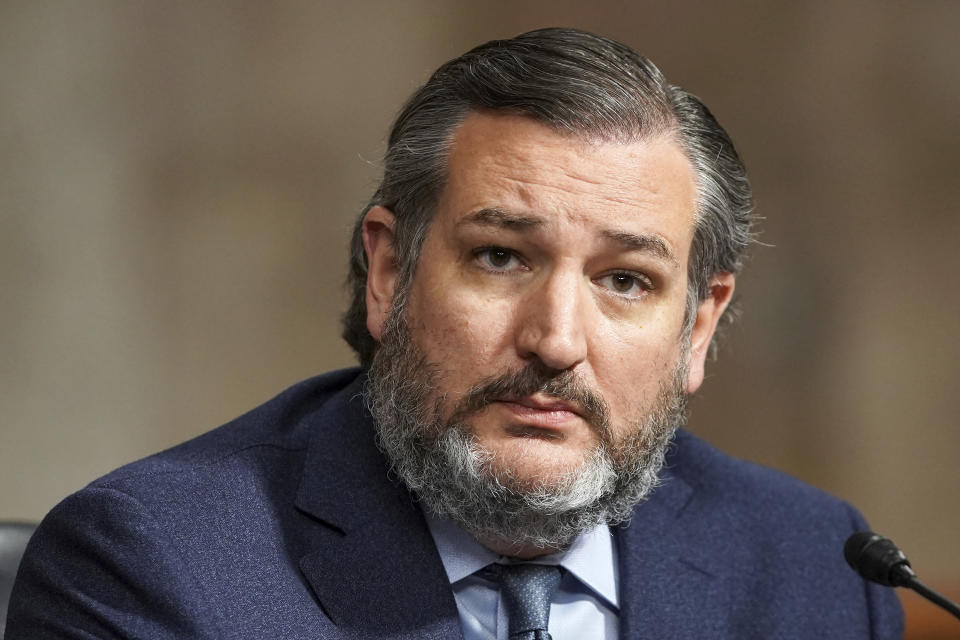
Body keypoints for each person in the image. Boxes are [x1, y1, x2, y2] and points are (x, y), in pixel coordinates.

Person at [7, 28, 903, 639]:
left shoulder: (815, 570)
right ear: (390, 271)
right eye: (501, 258)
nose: (555, 342)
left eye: (625, 281)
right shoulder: (156, 569)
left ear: (697, 325)